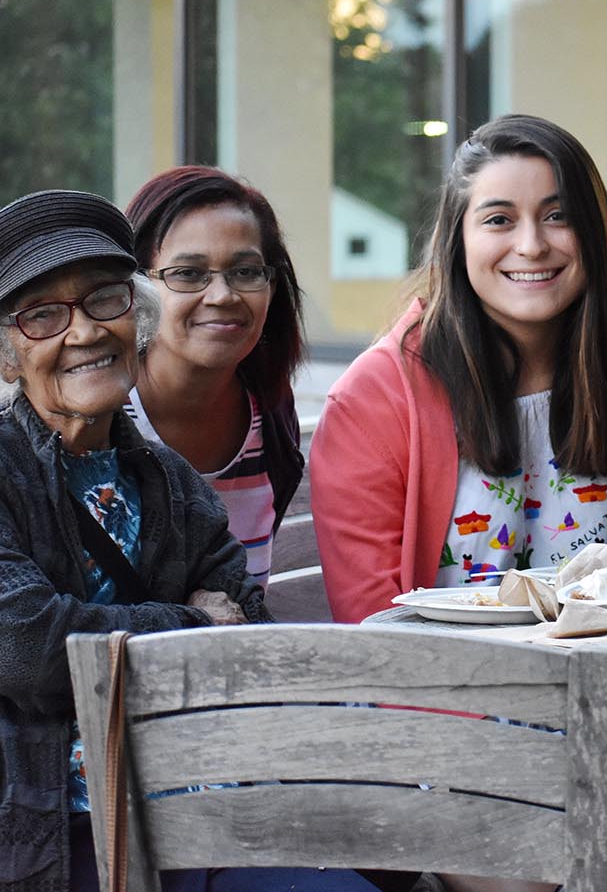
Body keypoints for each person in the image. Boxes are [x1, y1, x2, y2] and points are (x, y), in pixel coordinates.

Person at [0, 190, 371, 892]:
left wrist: (158, 638)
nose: (83, 333)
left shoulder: (167, 479)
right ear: (9, 355)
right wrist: (192, 622)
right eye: (43, 315)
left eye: (105, 301)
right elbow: (28, 648)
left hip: (203, 812)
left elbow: (247, 645)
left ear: (136, 320)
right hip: (49, 833)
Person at [311, 114, 607, 625]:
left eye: (558, 216)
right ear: (457, 240)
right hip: (451, 693)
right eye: (499, 220)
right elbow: (371, 626)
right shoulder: (375, 401)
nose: (531, 245)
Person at [123, 167, 307, 590]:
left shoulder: (271, 414)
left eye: (245, 272)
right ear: (133, 289)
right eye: (188, 273)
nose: (223, 295)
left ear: (272, 287)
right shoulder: (92, 419)